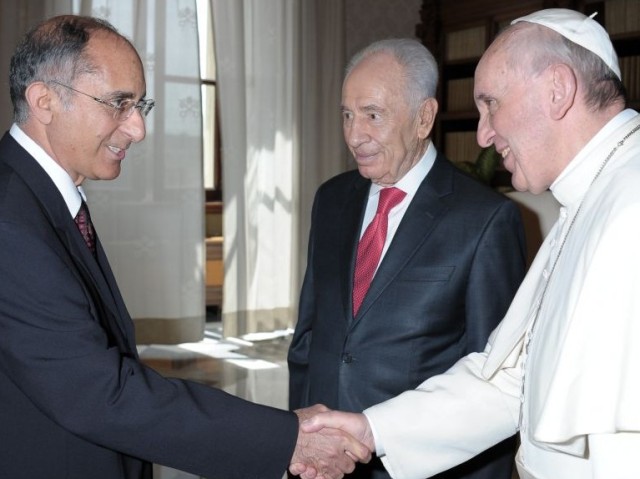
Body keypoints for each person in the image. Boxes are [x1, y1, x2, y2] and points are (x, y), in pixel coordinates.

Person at [0, 14, 371, 479]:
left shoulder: (38, 198)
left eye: (141, 106)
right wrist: (286, 439)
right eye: (118, 103)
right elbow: (98, 393)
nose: (137, 129)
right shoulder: (11, 219)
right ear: (45, 100)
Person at [296, 8, 640, 479]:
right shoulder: (589, 199)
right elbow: (505, 381)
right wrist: (368, 429)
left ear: (557, 90)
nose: (482, 133)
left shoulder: (630, 205)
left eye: (492, 103)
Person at [288, 38, 527, 479]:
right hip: (321, 459)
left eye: (373, 115)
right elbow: (309, 337)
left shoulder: (485, 219)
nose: (354, 135)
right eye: (347, 114)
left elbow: (495, 385)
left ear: (423, 118)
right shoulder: (331, 199)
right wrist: (298, 442)